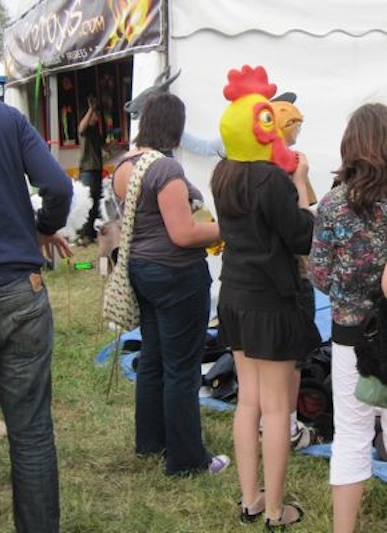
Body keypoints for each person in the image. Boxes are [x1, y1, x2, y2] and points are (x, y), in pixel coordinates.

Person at [211, 65, 319, 529]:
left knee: (249, 403)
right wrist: (298, 180)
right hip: (271, 302)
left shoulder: (223, 174)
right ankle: (275, 511)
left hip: (234, 296)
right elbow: (300, 236)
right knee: (276, 408)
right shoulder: (271, 180)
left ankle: (250, 500)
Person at [112, 92, 230, 476]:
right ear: (174, 126)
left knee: (154, 358)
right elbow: (183, 233)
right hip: (177, 275)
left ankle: (151, 441)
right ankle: (187, 461)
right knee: (182, 368)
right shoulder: (165, 170)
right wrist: (230, 227)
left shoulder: (124, 165)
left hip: (143, 271)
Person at [0, 97, 73, 532]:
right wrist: (42, 227)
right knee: (32, 433)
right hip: (21, 289)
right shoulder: (5, 118)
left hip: (19, 287)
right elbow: (58, 186)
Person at [307, 102, 387, 533]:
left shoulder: (335, 204)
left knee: (352, 436)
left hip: (350, 333)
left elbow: (318, 273)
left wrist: (349, 289)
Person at [272, 95, 319, 449]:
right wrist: (301, 181)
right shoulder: (290, 169)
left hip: (257, 281)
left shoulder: (246, 169)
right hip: (292, 274)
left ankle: (272, 422)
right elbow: (306, 227)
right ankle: (286, 427)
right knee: (293, 357)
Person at [77, 93, 104, 246]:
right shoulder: (85, 129)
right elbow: (81, 128)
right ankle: (84, 235)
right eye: (95, 115)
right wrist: (90, 109)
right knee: (86, 203)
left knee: (95, 203)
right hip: (87, 170)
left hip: (97, 169)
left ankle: (91, 233)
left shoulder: (95, 131)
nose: (97, 117)